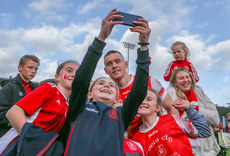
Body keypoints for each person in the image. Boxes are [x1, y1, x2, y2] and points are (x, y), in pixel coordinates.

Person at [63, 9, 150, 156]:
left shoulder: (121, 115)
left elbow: (139, 92)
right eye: (101, 83)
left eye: (111, 85)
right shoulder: (79, 108)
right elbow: (81, 80)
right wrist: (101, 37)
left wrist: (144, 46)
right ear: (89, 94)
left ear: (117, 97)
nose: (106, 86)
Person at [0, 60, 79, 154]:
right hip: (16, 146)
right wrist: (31, 141)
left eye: (77, 72)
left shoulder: (67, 105)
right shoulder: (50, 88)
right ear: (57, 77)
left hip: (38, 150)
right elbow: (13, 112)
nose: (74, 74)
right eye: (69, 70)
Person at [104, 45, 179, 140]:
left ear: (126, 64)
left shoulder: (149, 81)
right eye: (109, 64)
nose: (114, 66)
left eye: (117, 61)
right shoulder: (109, 95)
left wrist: (172, 133)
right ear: (106, 70)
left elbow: (171, 107)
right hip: (137, 146)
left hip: (161, 138)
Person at [132, 89, 211, 156]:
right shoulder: (136, 139)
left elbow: (204, 131)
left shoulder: (172, 120)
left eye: (148, 99)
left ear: (158, 108)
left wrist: (189, 108)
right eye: (141, 99)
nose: (143, 102)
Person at [167, 68, 220, 155]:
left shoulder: (200, 94)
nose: (185, 80)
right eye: (181, 78)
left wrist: (192, 108)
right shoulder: (170, 98)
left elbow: (215, 120)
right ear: (175, 83)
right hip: (185, 148)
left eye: (187, 77)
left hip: (208, 150)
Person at [0, 54, 40, 137]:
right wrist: (18, 123)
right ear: (20, 68)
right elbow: (1, 112)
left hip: (26, 133)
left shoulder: (34, 89)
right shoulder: (9, 87)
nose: (34, 71)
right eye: (30, 67)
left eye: (36, 69)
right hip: (9, 134)